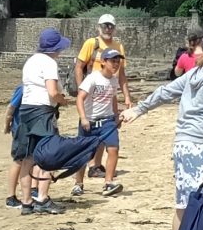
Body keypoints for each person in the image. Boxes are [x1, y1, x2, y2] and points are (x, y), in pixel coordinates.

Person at [124, 28, 203, 230]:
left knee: (183, 205)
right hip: (201, 146)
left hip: (182, 145)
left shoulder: (194, 73)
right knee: (200, 206)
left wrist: (139, 109)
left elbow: (165, 92)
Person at [10, 27, 70, 211]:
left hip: (26, 110)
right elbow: (52, 91)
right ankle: (42, 198)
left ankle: (26, 201)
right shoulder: (49, 63)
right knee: (49, 154)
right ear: (55, 48)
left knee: (27, 157)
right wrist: (63, 101)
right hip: (43, 112)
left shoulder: (30, 61)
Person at [78, 46, 131, 195]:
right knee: (82, 153)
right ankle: (78, 183)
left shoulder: (113, 81)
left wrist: (115, 116)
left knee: (113, 149)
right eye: (113, 61)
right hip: (90, 121)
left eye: (118, 62)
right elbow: (80, 98)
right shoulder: (93, 78)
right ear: (103, 62)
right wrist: (83, 118)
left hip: (107, 121)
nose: (116, 64)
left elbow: (113, 98)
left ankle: (108, 182)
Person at [77, 14, 127, 90]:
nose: (107, 30)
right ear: (99, 27)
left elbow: (121, 74)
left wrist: (127, 96)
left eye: (110, 26)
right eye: (104, 26)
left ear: (114, 29)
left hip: (110, 90)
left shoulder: (119, 47)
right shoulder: (91, 43)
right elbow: (79, 67)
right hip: (92, 89)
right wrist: (80, 89)